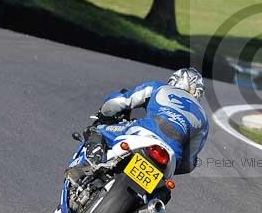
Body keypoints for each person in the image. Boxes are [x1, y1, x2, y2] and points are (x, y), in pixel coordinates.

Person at [68, 68, 208, 182]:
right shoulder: (203, 118)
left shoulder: (158, 87)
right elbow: (189, 162)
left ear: (174, 80)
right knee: (163, 190)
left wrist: (103, 113)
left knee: (98, 130)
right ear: (199, 93)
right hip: (172, 155)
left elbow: (122, 101)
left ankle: (89, 164)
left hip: (145, 131)